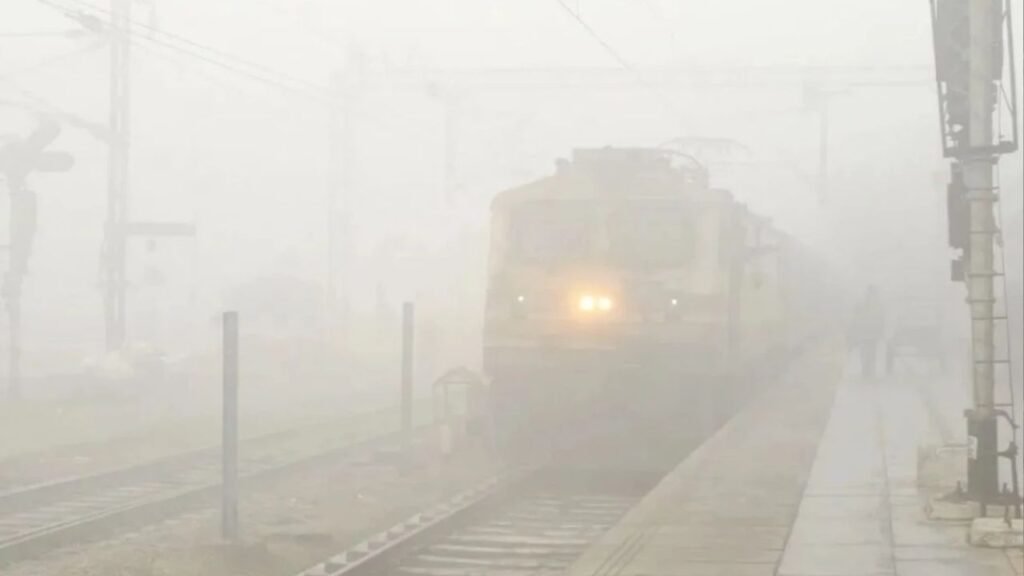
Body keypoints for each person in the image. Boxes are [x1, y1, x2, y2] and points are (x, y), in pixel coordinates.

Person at [849, 286, 884, 378]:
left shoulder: (874, 304)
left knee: (869, 351)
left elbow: (881, 318)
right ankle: (867, 369)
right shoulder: (871, 304)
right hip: (866, 331)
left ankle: (868, 369)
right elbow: (856, 316)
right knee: (867, 351)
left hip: (870, 332)